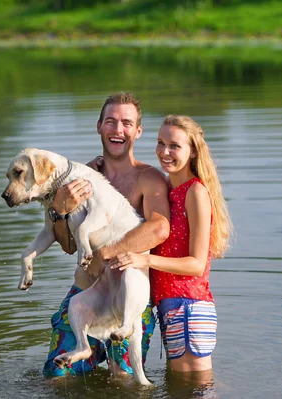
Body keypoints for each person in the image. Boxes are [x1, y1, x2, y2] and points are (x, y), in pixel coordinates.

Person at [42, 92, 170, 378]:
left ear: (138, 131)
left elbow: (159, 228)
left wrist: (103, 255)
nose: (118, 130)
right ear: (99, 126)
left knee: (123, 381)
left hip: (127, 295)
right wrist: (58, 212)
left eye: (127, 123)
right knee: (56, 378)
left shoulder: (149, 178)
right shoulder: (80, 177)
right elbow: (68, 245)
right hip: (86, 291)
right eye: (110, 122)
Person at [109, 114, 233, 374]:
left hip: (189, 306)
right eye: (160, 143)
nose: (164, 152)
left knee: (196, 388)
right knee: (182, 386)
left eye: (174, 146)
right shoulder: (167, 188)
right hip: (171, 306)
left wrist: (144, 259)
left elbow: (197, 265)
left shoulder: (195, 192)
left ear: (193, 152)